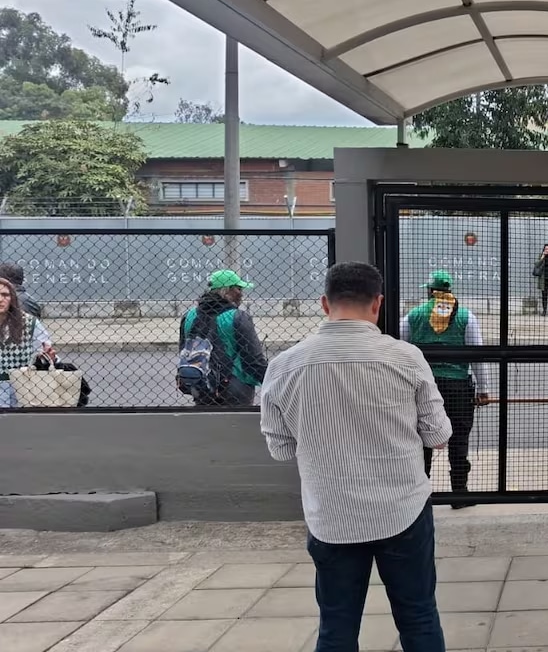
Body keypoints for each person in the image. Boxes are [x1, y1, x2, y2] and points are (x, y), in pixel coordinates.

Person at [260, 262, 451, 652]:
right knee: (418, 616)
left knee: (336, 627)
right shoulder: (407, 358)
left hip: (331, 516)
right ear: (378, 303)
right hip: (403, 511)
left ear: (324, 303)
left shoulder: (284, 366)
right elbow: (438, 435)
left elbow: (280, 449)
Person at [400, 270, 492, 508]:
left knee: (422, 439)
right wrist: (483, 389)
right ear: (449, 290)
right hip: (457, 386)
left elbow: (401, 349)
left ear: (431, 291)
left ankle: (421, 496)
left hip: (423, 387)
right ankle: (459, 493)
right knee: (459, 438)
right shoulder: (466, 316)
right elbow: (477, 355)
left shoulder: (413, 315)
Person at [178, 269, 269, 406]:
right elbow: (254, 360)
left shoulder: (189, 316)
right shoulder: (238, 317)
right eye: (238, 289)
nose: (241, 294)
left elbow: (184, 350)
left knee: (206, 419)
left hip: (200, 385)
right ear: (226, 291)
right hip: (235, 388)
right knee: (237, 420)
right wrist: (271, 382)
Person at [0, 277, 55, 408]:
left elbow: (43, 351)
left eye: (5, 295)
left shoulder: (29, 323)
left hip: (22, 388)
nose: (0, 299)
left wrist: (47, 356)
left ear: (12, 298)